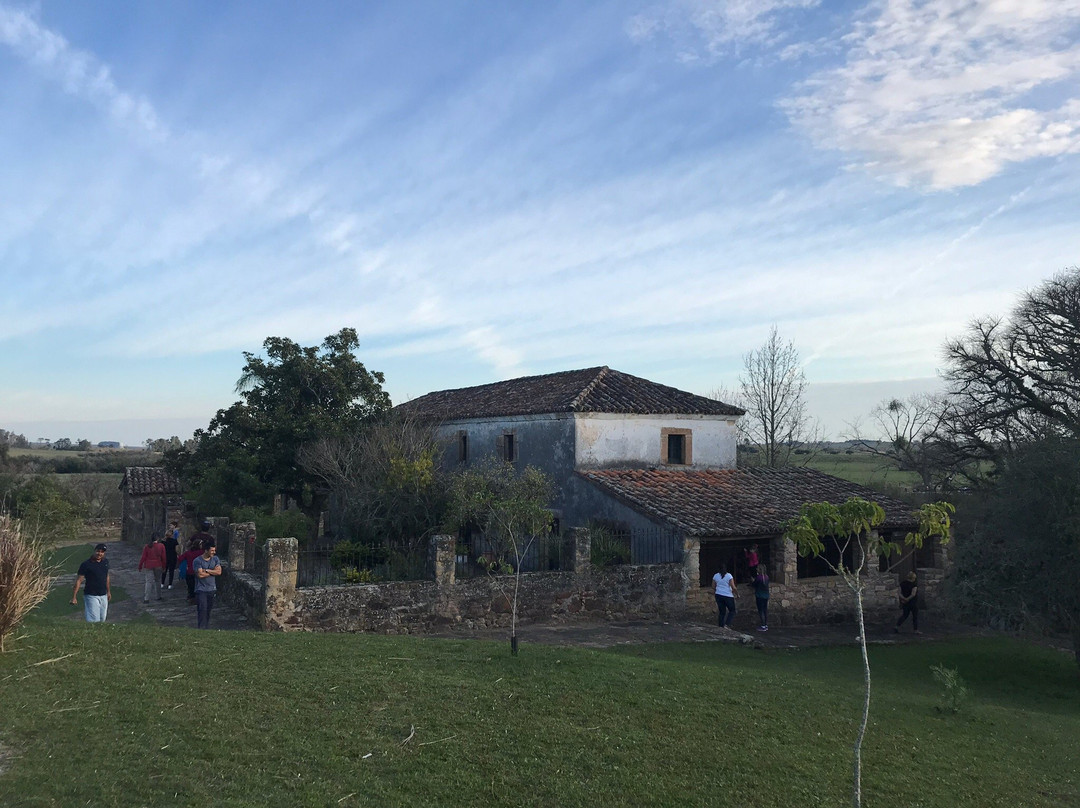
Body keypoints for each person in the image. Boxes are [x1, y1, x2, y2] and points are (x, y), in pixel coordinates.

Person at [71, 543, 111, 622]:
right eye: (98, 551)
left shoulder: (105, 562)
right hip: (91, 595)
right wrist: (74, 597)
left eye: (102, 552)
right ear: (94, 551)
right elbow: (79, 580)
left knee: (102, 619)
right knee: (94, 619)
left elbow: (107, 577)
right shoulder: (86, 564)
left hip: (103, 594)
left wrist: (108, 592)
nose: (99, 554)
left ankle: (100, 633)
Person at [193, 538, 222, 629]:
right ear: (206, 550)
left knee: (208, 610)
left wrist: (207, 570)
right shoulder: (198, 561)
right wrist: (212, 571)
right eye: (212, 550)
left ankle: (206, 627)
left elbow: (219, 572)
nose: (214, 552)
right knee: (202, 609)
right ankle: (201, 628)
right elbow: (200, 575)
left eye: (214, 550)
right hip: (201, 589)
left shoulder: (216, 559)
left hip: (211, 589)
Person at [138, 532, 167, 602]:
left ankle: (146, 598)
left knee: (148, 582)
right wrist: (164, 566)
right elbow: (164, 557)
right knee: (158, 581)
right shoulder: (161, 546)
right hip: (158, 565)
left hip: (149, 565)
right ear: (158, 538)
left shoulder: (147, 546)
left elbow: (143, 557)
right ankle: (158, 596)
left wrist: (140, 565)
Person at [712, 563, 737, 628]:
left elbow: (713, 586)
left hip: (718, 595)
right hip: (728, 595)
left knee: (722, 612)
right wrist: (737, 594)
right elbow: (733, 587)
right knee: (732, 610)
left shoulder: (716, 576)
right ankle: (727, 624)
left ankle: (721, 625)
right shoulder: (729, 576)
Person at [161, 522, 180, 590]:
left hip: (165, 557)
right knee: (171, 571)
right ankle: (170, 584)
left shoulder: (163, 542)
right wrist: (178, 555)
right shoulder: (174, 541)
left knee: (164, 570)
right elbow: (177, 549)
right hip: (172, 556)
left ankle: (162, 583)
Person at [752, 564, 770, 632]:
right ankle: (765, 624)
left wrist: (752, 581)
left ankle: (763, 626)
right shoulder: (766, 577)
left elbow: (754, 585)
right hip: (766, 596)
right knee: (765, 610)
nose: (756, 569)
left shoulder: (758, 578)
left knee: (761, 610)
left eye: (757, 568)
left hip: (759, 596)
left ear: (759, 570)